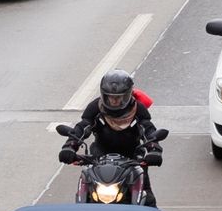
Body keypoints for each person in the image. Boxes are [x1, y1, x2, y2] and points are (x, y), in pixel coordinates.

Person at [60, 70, 163, 204]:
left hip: (132, 158)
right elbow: (82, 127)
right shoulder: (94, 108)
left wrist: (154, 150)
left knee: (147, 198)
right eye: (110, 97)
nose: (114, 101)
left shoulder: (139, 110)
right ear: (104, 95)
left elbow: (148, 131)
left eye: (119, 97)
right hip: (100, 158)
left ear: (128, 95)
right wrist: (69, 146)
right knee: (85, 187)